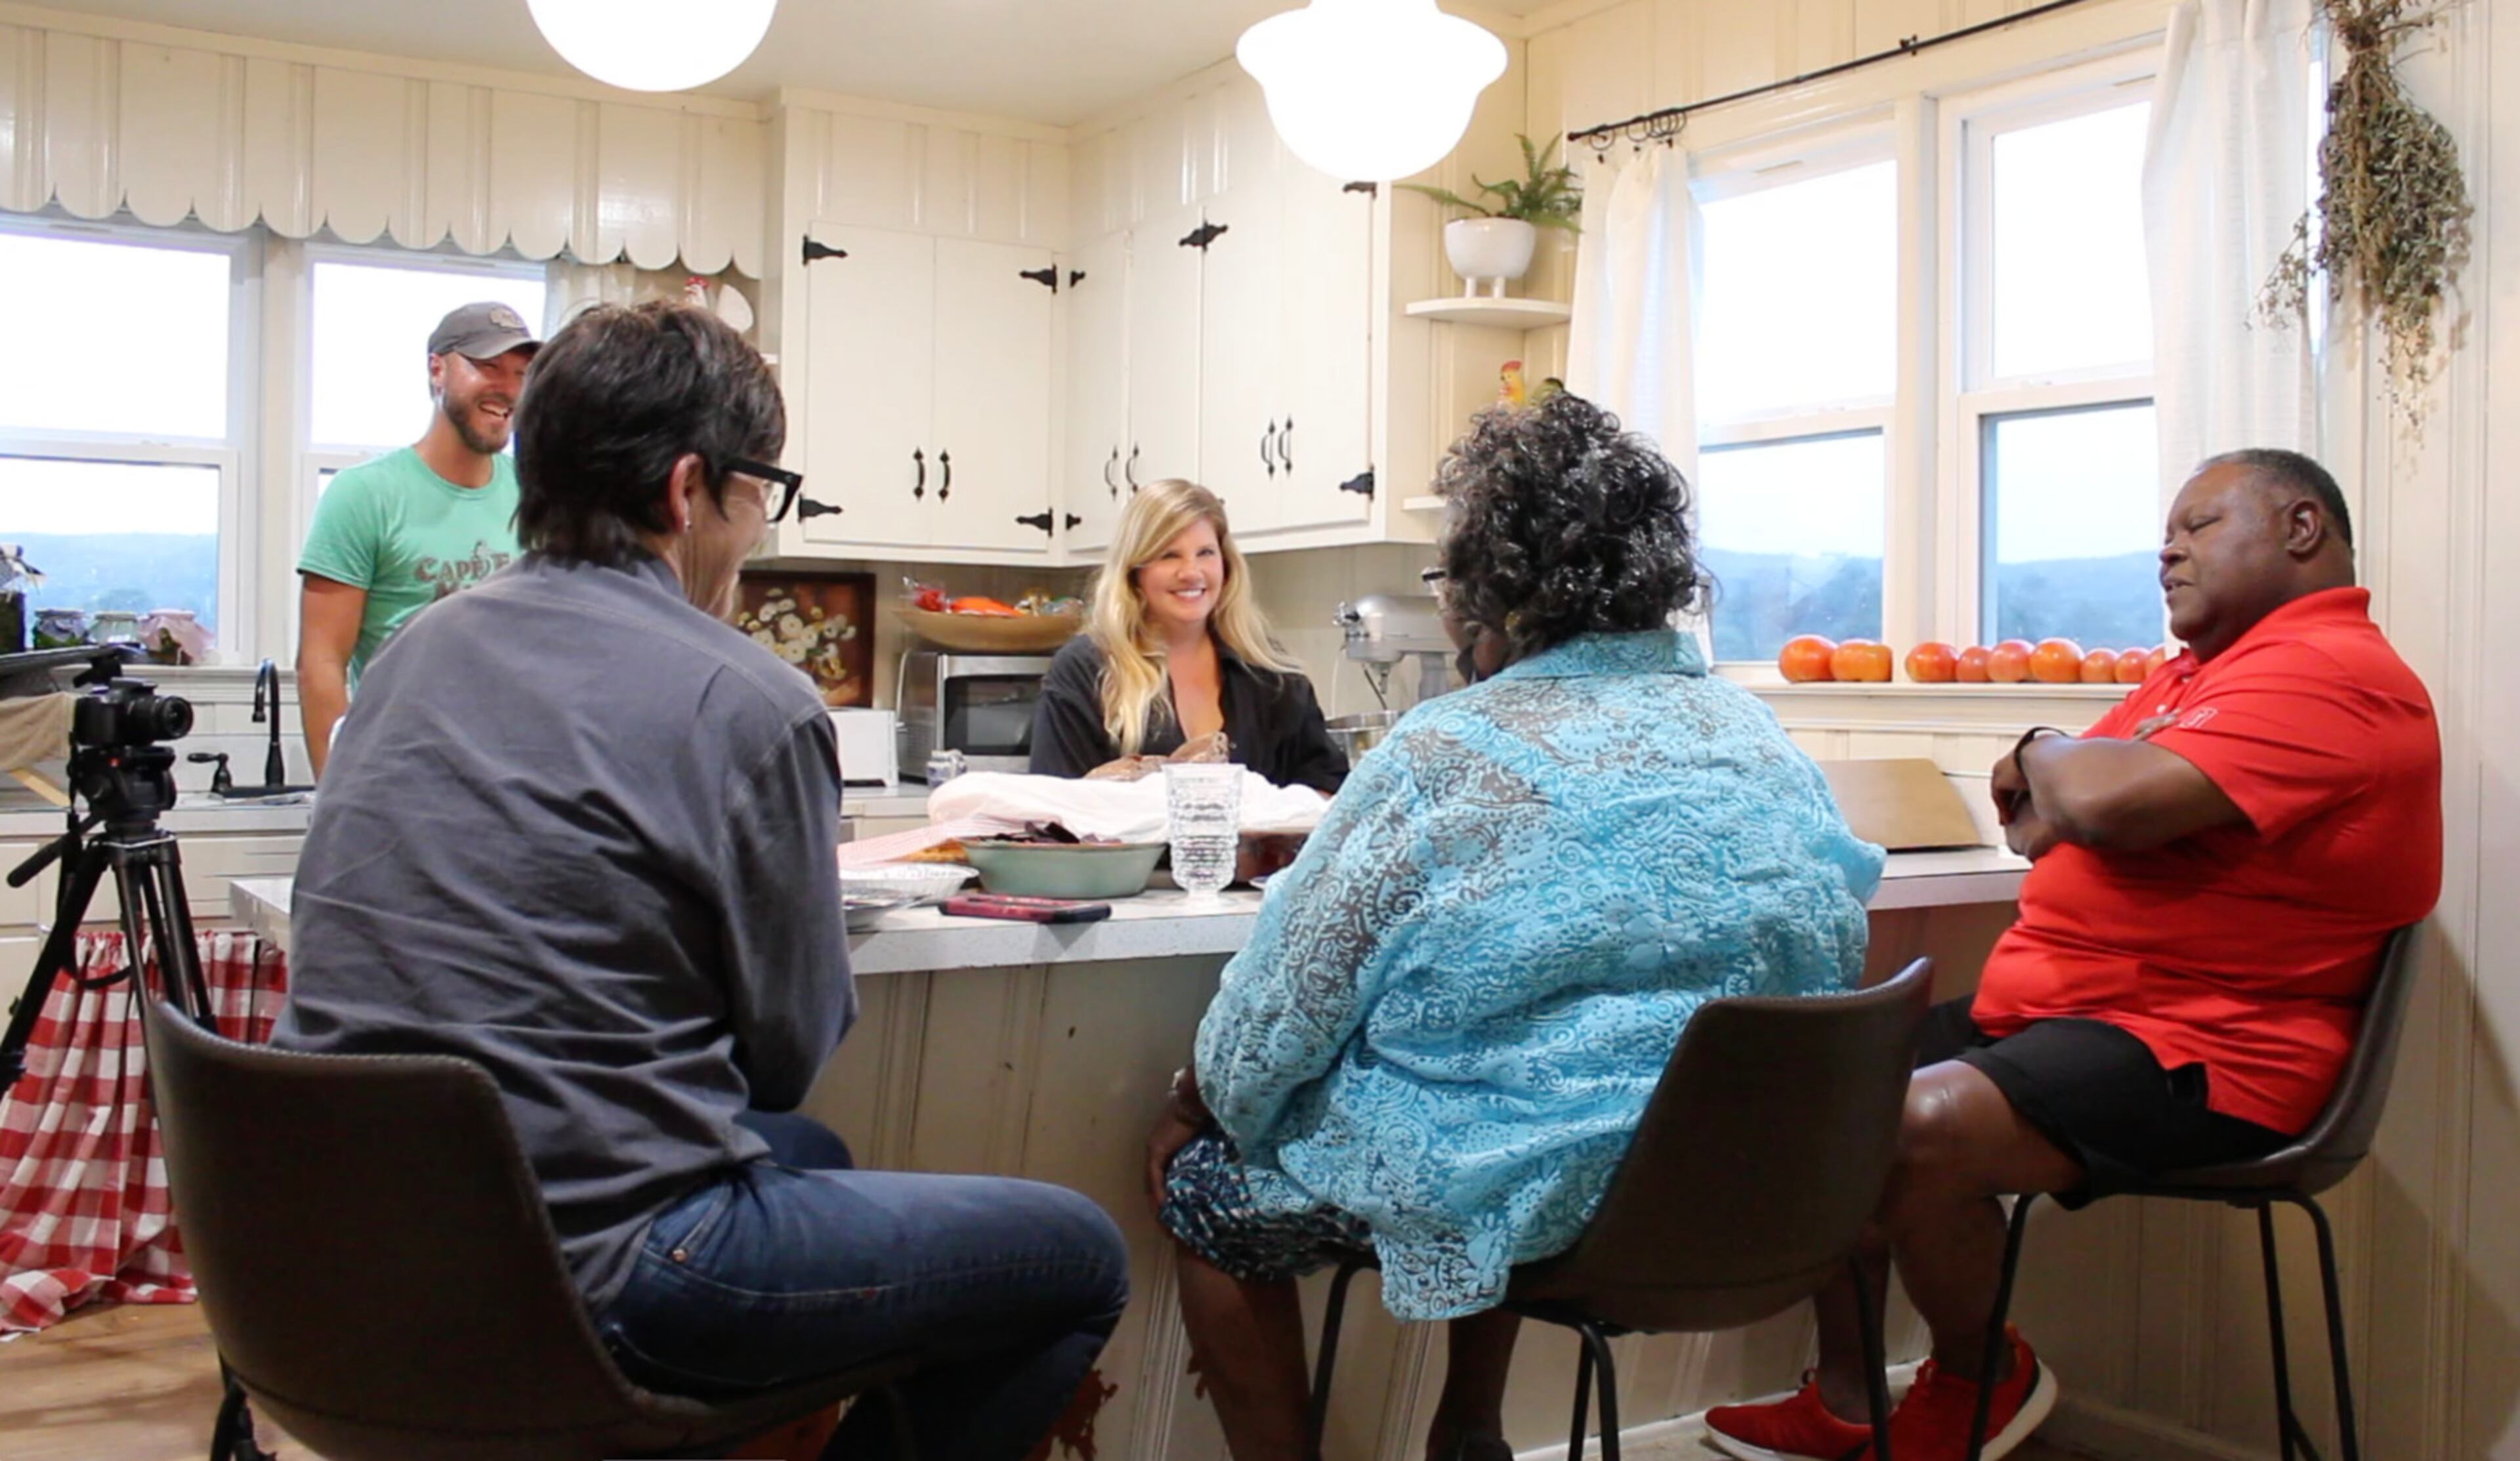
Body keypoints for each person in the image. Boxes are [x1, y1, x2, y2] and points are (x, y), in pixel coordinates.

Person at [273, 301, 1129, 1461]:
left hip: (334, 1272)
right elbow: (783, 1055)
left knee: (809, 1159)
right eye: (758, 493)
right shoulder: (752, 700)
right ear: (688, 492)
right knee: (1076, 1255)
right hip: (597, 1278)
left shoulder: (414, 653)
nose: (755, 533)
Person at [1144, 394, 1887, 1461]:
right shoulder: (1754, 733)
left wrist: (1194, 1102)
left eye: (1451, 582)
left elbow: (1273, 1021)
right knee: (1489, 1069)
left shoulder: (1446, 750)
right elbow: (1832, 941)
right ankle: (1470, 1432)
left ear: (1493, 589)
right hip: (1765, 1189)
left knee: (1218, 1189)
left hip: (1558, 1195)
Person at [1706, 448, 2443, 1461]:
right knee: (1825, 1086)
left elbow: (2090, 801)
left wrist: (2050, 745)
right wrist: (2058, 763)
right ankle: (1846, 1399)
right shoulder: (2197, 678)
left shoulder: (2333, 676)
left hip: (2211, 1048)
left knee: (1908, 1122)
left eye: (2198, 526)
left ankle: (1978, 1380)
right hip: (2078, 1022)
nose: (2166, 549)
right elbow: (2033, 815)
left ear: (2302, 529)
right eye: (2165, 534)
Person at [296, 302, 538, 778]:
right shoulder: (364, 495)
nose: (508, 389)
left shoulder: (536, 496)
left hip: (509, 779)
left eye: (521, 373)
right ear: (437, 370)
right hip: (398, 776)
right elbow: (320, 662)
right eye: (488, 367)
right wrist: (337, 800)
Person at [1030, 479, 1347, 793]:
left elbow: (1327, 791)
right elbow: (1056, 809)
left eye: (1206, 553)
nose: (1192, 572)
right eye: (1169, 555)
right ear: (1134, 571)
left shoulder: (1268, 671)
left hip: (1262, 847)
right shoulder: (1085, 670)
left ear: (1227, 565)